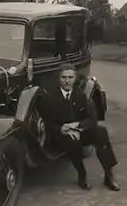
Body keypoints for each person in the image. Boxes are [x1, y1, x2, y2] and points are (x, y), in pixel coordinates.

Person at [41, 63, 120, 191]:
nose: (67, 81)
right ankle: (82, 174)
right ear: (59, 78)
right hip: (62, 135)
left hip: (80, 129)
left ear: (75, 78)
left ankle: (109, 174)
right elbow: (47, 122)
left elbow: (92, 118)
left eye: (70, 78)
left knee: (101, 132)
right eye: (64, 77)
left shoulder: (80, 94)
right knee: (72, 142)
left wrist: (78, 126)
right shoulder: (50, 97)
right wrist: (62, 129)